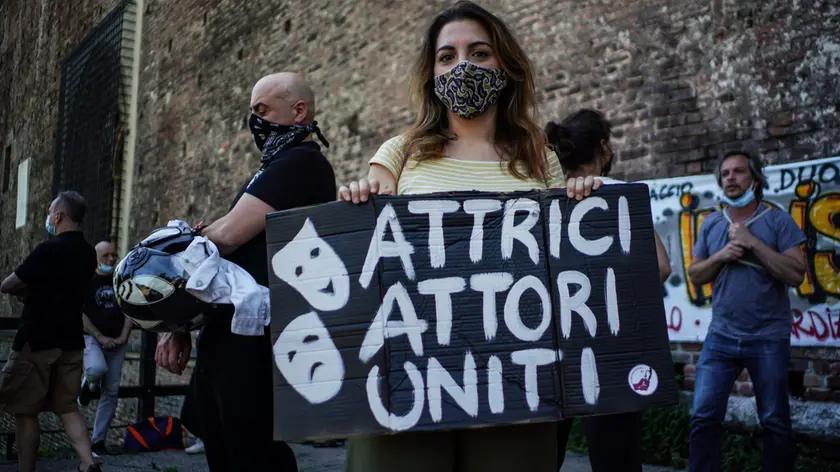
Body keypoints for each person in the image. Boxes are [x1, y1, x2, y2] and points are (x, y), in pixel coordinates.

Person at [338, 3, 599, 471]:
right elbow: (371, 254)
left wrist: (583, 206)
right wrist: (358, 205)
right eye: (447, 56)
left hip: (516, 384)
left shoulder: (539, 156)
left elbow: (564, 257)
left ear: (505, 65)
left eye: (479, 53)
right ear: (431, 72)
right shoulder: (401, 152)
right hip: (408, 378)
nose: (463, 66)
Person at [154, 71, 336, 472]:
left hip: (254, 342)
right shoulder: (273, 168)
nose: (255, 120)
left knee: (250, 454)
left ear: (298, 111)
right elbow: (214, 243)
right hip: (232, 334)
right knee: (224, 446)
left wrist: (175, 255)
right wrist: (180, 322)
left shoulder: (301, 164)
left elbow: (227, 235)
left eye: (263, 110)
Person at [545, 109, 672, 472]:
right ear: (603, 148)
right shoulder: (619, 198)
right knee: (616, 459)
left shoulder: (540, 199)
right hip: (609, 353)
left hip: (548, 352)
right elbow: (661, 267)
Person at [687, 151, 806, 472]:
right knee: (703, 415)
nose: (730, 178)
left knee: (774, 420)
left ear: (754, 178)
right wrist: (723, 254)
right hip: (721, 337)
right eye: (725, 173)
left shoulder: (778, 220)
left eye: (738, 172)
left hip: (768, 337)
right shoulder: (712, 224)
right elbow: (696, 275)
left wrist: (753, 243)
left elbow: (796, 274)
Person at [0, 191, 101, 472]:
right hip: (71, 340)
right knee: (67, 406)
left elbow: (8, 285)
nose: (48, 217)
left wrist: (33, 291)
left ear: (58, 216)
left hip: (37, 341)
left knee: (25, 409)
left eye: (50, 212)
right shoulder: (88, 253)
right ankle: (88, 463)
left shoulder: (48, 250)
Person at [77, 240, 133, 456]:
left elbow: (130, 307)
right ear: (96, 258)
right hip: (93, 338)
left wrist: (123, 335)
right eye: (106, 256)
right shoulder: (86, 281)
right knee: (96, 369)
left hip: (118, 341)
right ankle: (88, 384)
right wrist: (100, 336)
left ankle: (98, 441)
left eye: (113, 255)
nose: (111, 259)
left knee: (111, 391)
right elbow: (80, 315)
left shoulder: (121, 279)